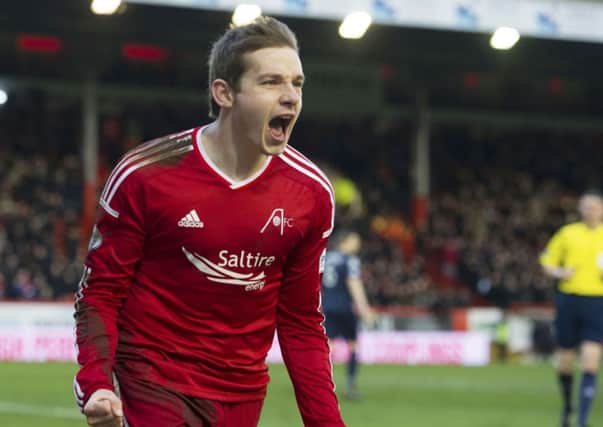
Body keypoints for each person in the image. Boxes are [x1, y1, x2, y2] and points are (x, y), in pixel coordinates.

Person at [74, 16, 345, 427]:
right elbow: (100, 293)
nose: (291, 97)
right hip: (151, 376)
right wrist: (96, 382)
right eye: (272, 82)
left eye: (297, 83)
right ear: (224, 93)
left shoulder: (311, 195)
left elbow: (301, 321)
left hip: (240, 392)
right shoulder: (146, 174)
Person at [540, 189, 603, 427]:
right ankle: (568, 406)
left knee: (590, 361)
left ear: (602, 210)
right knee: (565, 361)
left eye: (595, 207)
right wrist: (560, 272)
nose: (590, 211)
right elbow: (547, 261)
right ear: (581, 209)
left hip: (597, 301)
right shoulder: (568, 234)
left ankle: (582, 421)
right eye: (586, 207)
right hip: (569, 300)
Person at [321, 229, 374, 400]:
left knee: (328, 347)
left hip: (327, 308)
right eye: (354, 240)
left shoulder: (327, 258)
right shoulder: (350, 260)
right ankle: (350, 386)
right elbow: (354, 284)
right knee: (353, 345)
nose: (357, 244)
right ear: (345, 242)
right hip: (344, 308)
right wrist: (365, 309)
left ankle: (322, 386)